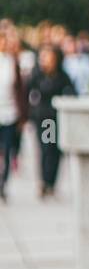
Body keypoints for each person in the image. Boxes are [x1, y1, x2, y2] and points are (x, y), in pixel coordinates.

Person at [27, 45, 76, 198]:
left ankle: (50, 182)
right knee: (46, 150)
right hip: (44, 120)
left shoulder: (61, 76)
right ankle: (45, 181)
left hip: (55, 119)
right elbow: (27, 91)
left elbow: (72, 93)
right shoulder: (38, 75)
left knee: (54, 150)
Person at [0, 28, 28, 203]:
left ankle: (3, 184)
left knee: (9, 150)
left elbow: (20, 91)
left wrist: (22, 116)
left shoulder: (13, 63)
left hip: (10, 114)